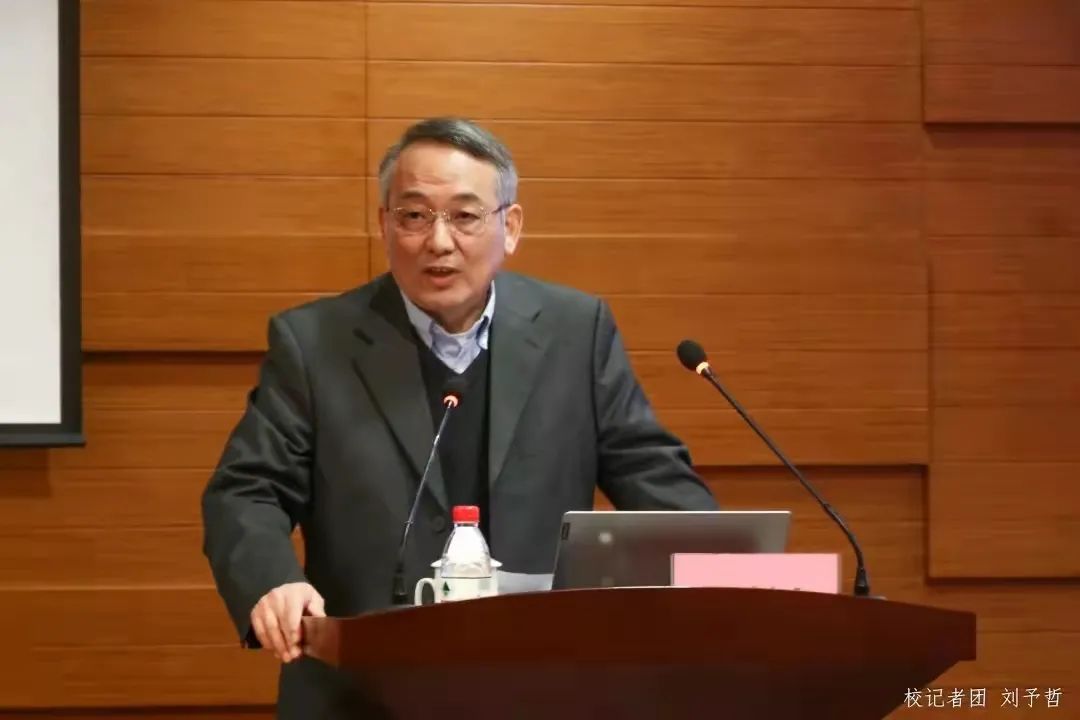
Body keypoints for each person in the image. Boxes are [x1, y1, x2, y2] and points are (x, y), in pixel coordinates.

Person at [201, 117, 718, 717]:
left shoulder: (576, 332)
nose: (439, 241)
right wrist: (273, 582)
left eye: (465, 216)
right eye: (414, 216)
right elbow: (248, 490)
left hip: (542, 686)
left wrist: (730, 569)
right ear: (384, 225)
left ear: (510, 226)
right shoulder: (316, 344)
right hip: (363, 691)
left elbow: (650, 474)